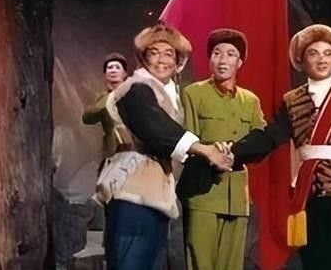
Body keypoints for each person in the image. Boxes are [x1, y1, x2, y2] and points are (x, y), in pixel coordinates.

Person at [230, 24, 331, 270]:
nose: (322, 59)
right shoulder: (292, 101)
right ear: (301, 59)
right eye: (313, 53)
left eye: (328, 53)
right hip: (307, 194)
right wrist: (232, 153)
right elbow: (271, 136)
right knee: (313, 261)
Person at [94, 23, 233, 270]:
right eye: (154, 52)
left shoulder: (170, 94)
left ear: (178, 61)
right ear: (143, 57)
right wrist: (205, 150)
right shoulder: (135, 88)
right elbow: (154, 126)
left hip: (155, 192)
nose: (161, 60)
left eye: (168, 53)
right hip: (132, 190)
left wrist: (218, 156)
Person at [179, 28, 265, 270]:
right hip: (202, 193)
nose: (222, 60)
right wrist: (210, 153)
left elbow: (260, 141)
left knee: (232, 265)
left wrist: (238, 152)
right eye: (216, 53)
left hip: (236, 196)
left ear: (240, 62)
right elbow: (186, 141)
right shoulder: (193, 93)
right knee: (201, 263)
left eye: (230, 54)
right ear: (209, 59)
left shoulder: (250, 101)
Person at [83, 53, 130, 159]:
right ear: (105, 74)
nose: (113, 70)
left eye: (117, 67)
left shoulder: (132, 93)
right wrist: (109, 98)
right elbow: (87, 118)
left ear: (124, 73)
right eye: (110, 67)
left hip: (134, 151)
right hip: (111, 152)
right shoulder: (102, 98)